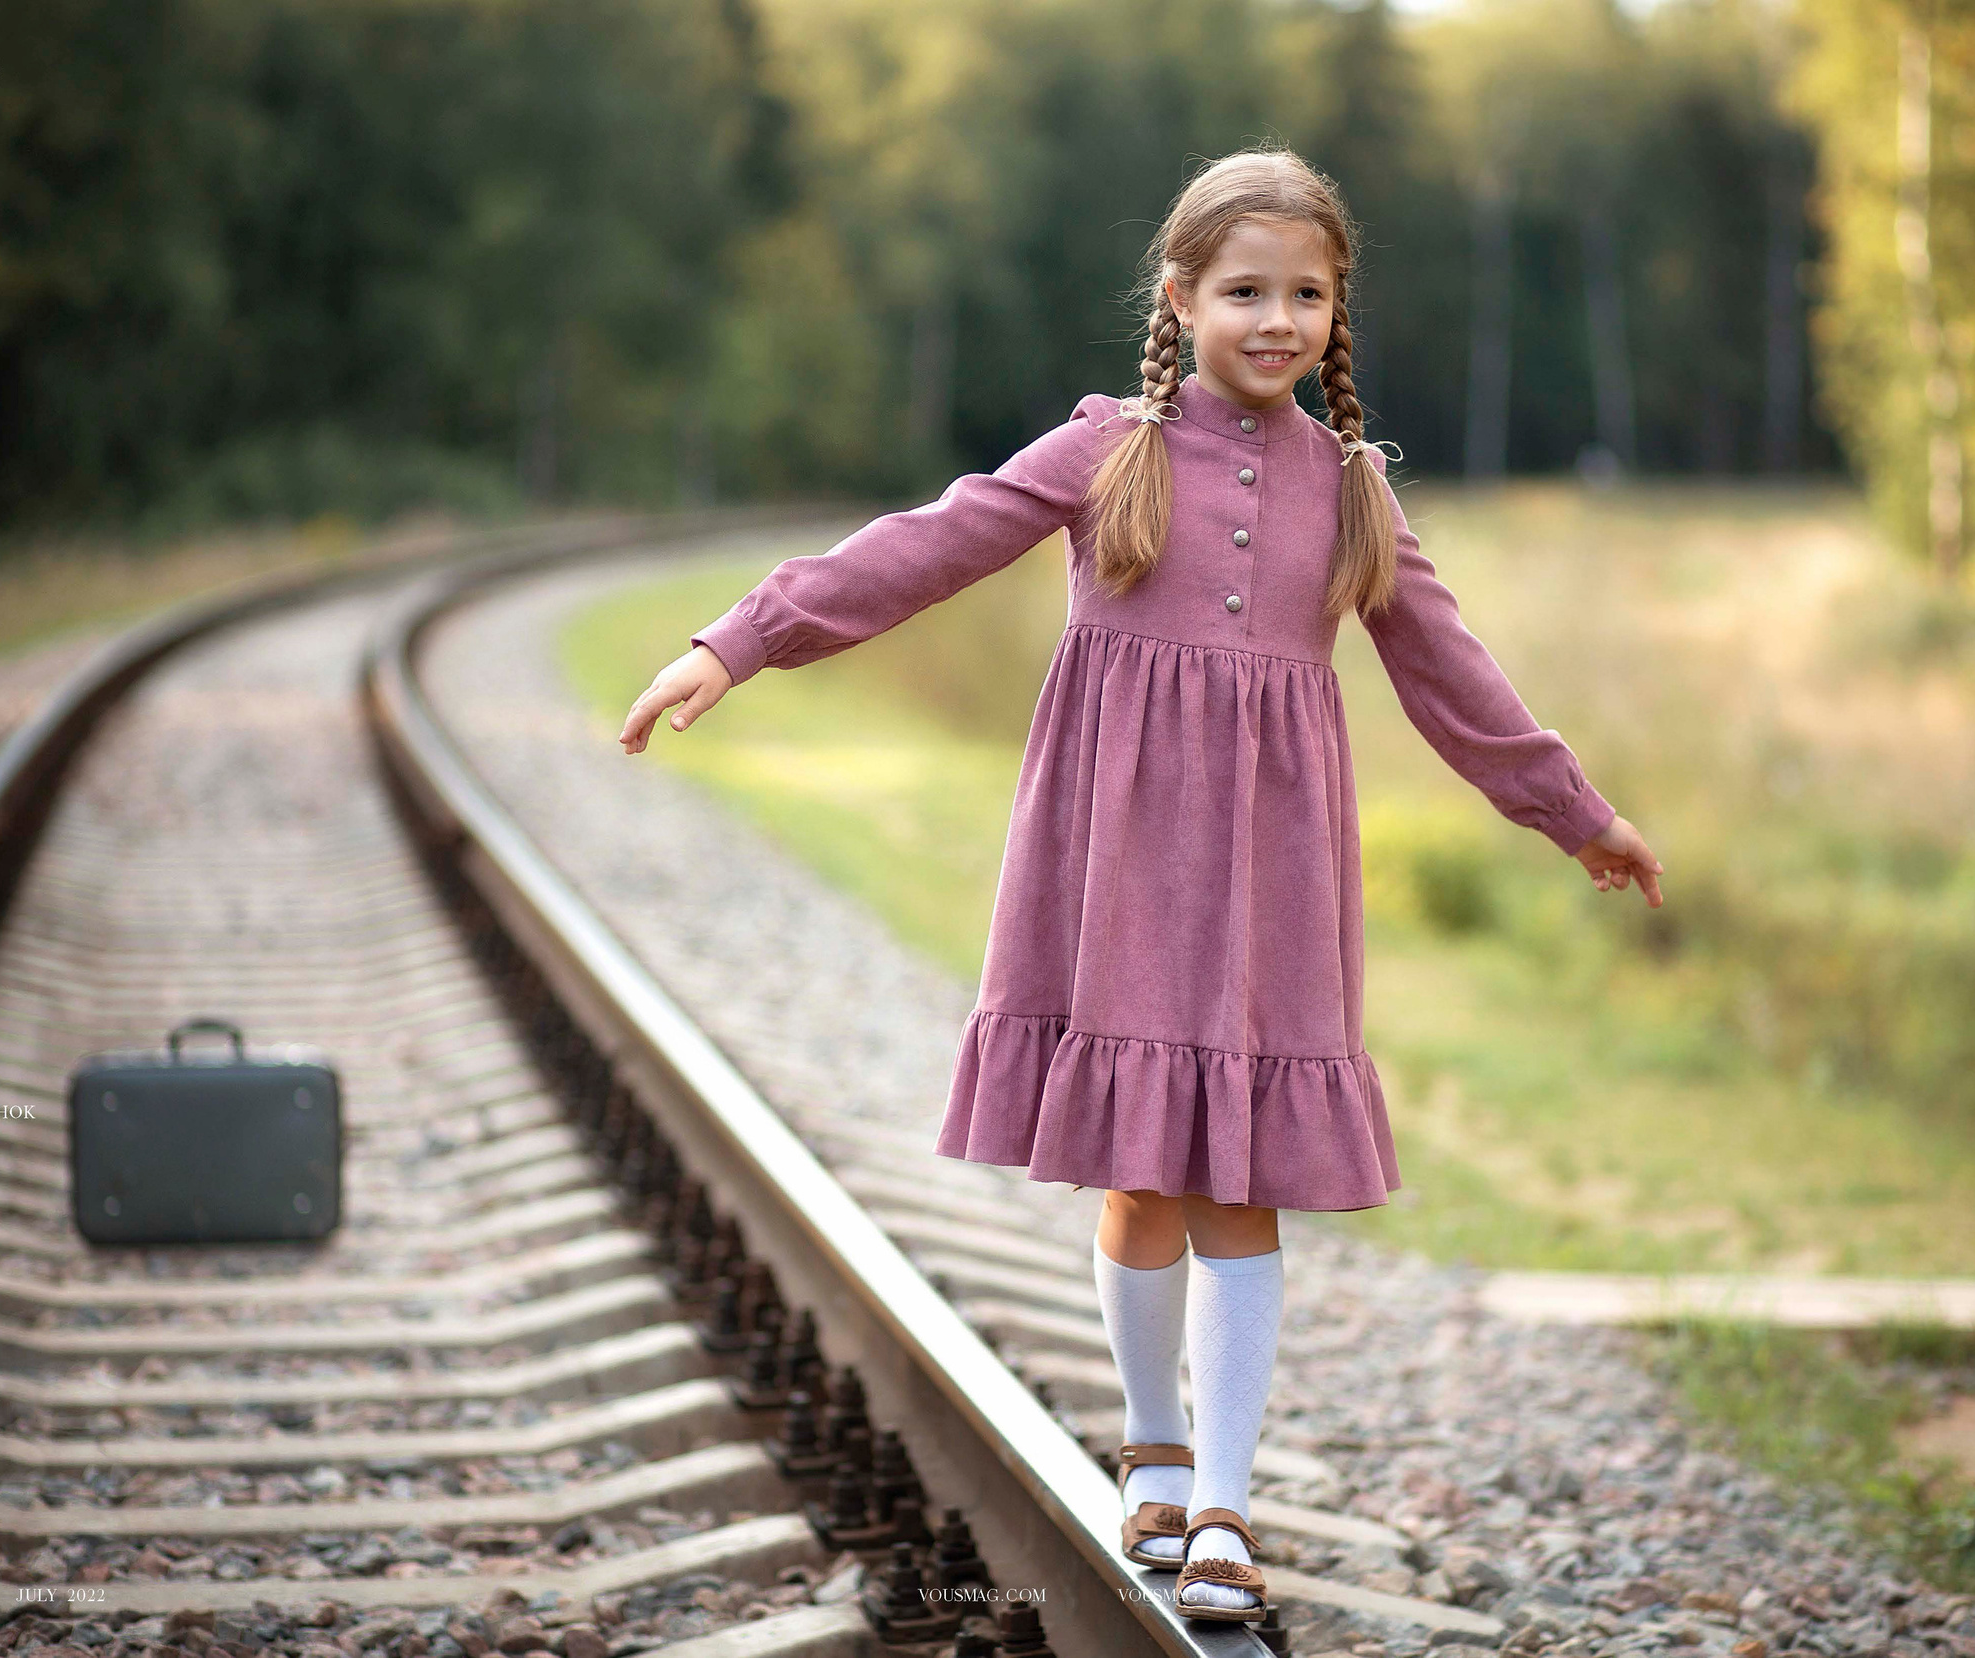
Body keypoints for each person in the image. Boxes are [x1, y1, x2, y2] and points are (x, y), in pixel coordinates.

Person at [618, 144, 1665, 1625]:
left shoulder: (1351, 488)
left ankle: (1225, 1503)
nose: (1277, 320)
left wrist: (1572, 811)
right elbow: (925, 546)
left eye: (1307, 295)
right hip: (1114, 859)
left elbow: (1450, 670)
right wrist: (738, 641)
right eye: (1245, 291)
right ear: (1179, 296)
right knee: (1141, 1176)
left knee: (1239, 1178)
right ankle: (1156, 1446)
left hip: (1272, 872)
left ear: (1337, 310)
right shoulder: (1106, 451)